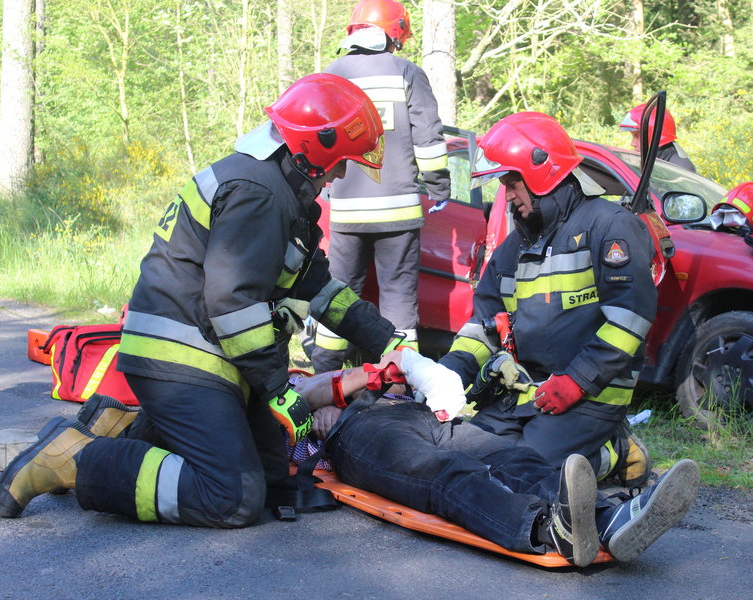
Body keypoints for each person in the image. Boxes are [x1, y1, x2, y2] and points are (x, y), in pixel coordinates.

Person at [0, 73, 409, 527]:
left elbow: (319, 288)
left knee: (272, 476)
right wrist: (277, 392)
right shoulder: (260, 194)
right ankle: (78, 461)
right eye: (340, 163)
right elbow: (233, 304)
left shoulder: (274, 189)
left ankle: (122, 429)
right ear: (313, 154)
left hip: (211, 361)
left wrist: (394, 345)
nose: (341, 175)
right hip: (182, 363)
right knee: (231, 497)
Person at [293, 348, 701, 567]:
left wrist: (401, 371)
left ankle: (608, 519)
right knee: (449, 474)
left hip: (421, 412)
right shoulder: (283, 387)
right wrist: (348, 385)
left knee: (508, 455)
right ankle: (548, 529)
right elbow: (299, 400)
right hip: (357, 430)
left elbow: (419, 372)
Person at [437, 112, 657, 490]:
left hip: (590, 396)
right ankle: (591, 453)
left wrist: (577, 380)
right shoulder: (514, 248)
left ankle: (616, 452)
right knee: (461, 461)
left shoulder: (610, 227)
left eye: (512, 182)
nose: (507, 194)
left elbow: (630, 318)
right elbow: (484, 324)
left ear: (542, 172)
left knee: (526, 475)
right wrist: (445, 376)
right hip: (524, 393)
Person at [312, 0, 451, 371]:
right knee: (398, 300)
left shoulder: (332, 75)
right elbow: (429, 140)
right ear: (395, 34)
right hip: (398, 213)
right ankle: (398, 382)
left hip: (346, 211)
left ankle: (323, 373)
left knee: (339, 294)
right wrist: (439, 189)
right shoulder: (407, 72)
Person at [619, 104, 697, 173]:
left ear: (654, 135)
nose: (632, 144)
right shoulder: (655, 161)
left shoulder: (679, 168)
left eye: (637, 136)